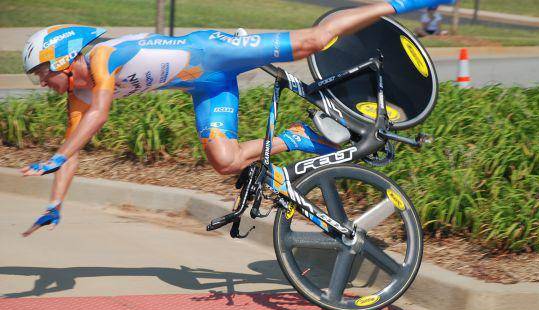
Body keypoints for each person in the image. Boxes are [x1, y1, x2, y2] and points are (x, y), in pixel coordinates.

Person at [20, 0, 454, 236]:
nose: (41, 83)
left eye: (41, 73)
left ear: (61, 57)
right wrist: (56, 201)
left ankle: (407, 1)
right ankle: (313, 134)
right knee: (226, 160)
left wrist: (57, 156)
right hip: (207, 86)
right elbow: (73, 149)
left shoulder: (102, 56)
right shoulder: (77, 93)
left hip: (216, 49)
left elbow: (100, 114)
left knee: (315, 40)